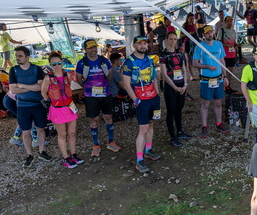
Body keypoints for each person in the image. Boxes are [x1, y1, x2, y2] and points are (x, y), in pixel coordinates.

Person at [122, 36, 162, 173]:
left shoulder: (150, 59)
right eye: (140, 44)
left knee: (151, 124)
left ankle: (148, 150)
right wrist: (136, 100)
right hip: (141, 100)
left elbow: (154, 78)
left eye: (145, 43)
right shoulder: (129, 62)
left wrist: (157, 94)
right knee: (143, 129)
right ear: (134, 45)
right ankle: (139, 160)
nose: (143, 46)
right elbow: (127, 85)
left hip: (153, 97)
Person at [75, 39, 121, 157]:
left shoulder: (104, 60)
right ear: (85, 49)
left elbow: (110, 74)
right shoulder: (81, 63)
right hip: (91, 96)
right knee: (94, 120)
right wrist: (87, 88)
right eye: (90, 48)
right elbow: (79, 78)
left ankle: (110, 142)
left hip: (105, 94)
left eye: (94, 47)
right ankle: (95, 145)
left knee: (108, 118)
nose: (93, 50)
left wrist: (103, 85)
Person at [9, 46, 52, 167]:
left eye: (20, 56)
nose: (17, 58)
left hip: (37, 104)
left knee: (40, 129)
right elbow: (13, 90)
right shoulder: (13, 70)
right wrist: (31, 87)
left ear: (28, 57)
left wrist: (22, 85)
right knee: (26, 131)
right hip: (22, 105)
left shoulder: (37, 69)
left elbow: (40, 87)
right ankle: (29, 155)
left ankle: (42, 151)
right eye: (16, 56)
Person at [41, 52, 82, 169]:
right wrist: (50, 102)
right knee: (62, 134)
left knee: (72, 133)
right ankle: (65, 157)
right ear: (50, 65)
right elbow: (43, 93)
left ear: (62, 62)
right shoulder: (48, 78)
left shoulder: (67, 75)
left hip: (69, 107)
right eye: (53, 64)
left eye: (58, 63)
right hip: (57, 109)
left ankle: (73, 154)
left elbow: (69, 88)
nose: (57, 65)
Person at [192, 25, 230, 137]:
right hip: (205, 80)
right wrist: (207, 66)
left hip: (218, 79)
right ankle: (204, 126)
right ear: (203, 34)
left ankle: (219, 123)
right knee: (205, 103)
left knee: (218, 102)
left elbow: (222, 61)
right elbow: (194, 63)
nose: (210, 34)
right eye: (207, 33)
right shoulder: (200, 46)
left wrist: (225, 76)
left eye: (211, 32)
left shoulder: (219, 44)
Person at [160, 31, 192, 147]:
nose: (173, 41)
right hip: (170, 86)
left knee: (179, 109)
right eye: (171, 39)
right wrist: (175, 87)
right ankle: (172, 137)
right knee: (171, 111)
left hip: (181, 85)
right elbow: (164, 74)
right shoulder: (163, 55)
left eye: (175, 39)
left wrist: (185, 85)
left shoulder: (180, 54)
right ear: (166, 40)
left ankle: (180, 131)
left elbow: (184, 70)